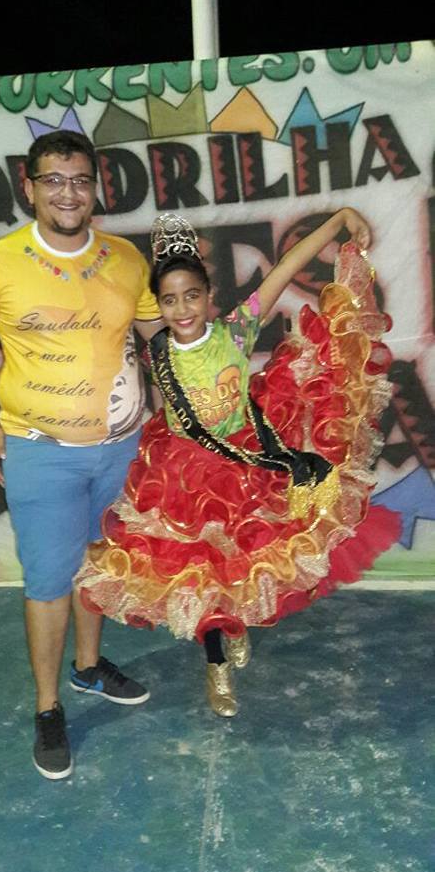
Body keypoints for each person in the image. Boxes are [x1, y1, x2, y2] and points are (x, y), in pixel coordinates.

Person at [76, 210, 401, 717]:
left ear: (208, 296)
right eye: (169, 300)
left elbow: (286, 266)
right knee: (199, 575)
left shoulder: (236, 329)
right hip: (179, 478)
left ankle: (235, 624)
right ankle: (216, 665)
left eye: (191, 296)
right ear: (157, 305)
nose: (182, 308)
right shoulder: (155, 346)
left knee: (243, 563)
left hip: (243, 467)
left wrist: (339, 220)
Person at [0, 130, 163, 780]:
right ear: (29, 187)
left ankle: (88, 668)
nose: (69, 193)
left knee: (99, 564)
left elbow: (160, 338)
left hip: (121, 449)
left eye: (81, 180)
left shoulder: (126, 259)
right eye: (55, 180)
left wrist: (199, 383)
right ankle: (47, 707)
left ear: (96, 188)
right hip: (41, 452)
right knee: (47, 583)